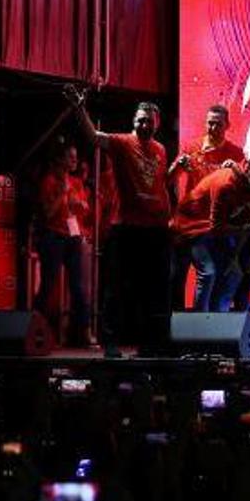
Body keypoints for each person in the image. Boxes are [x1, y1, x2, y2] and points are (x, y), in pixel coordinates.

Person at [67, 89, 172, 357]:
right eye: (140, 120)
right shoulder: (123, 142)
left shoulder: (161, 149)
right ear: (133, 121)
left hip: (155, 230)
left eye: (149, 120)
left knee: (152, 291)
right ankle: (111, 343)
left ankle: (149, 346)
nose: (144, 124)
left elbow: (158, 186)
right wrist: (80, 109)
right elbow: (93, 137)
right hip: (126, 227)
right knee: (117, 287)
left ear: (157, 123)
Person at [172, 153, 250, 316]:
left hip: (211, 232)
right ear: (248, 168)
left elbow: (245, 224)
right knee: (208, 272)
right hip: (190, 228)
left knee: (234, 272)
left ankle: (219, 321)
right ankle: (200, 325)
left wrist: (234, 257)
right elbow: (217, 227)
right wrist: (248, 228)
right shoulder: (226, 184)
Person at [33, 141, 92, 347]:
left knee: (78, 286)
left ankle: (81, 333)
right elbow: (48, 212)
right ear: (59, 159)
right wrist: (62, 193)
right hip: (53, 237)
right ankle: (34, 328)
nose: (74, 160)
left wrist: (79, 204)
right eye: (70, 156)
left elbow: (85, 208)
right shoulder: (49, 181)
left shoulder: (76, 182)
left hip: (73, 236)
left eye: (75, 156)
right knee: (48, 284)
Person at [170, 105, 246, 199]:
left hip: (220, 209)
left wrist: (236, 170)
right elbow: (169, 179)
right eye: (210, 123)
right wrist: (177, 166)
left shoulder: (237, 153)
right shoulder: (190, 147)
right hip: (193, 207)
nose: (213, 128)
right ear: (205, 123)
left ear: (227, 125)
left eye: (218, 124)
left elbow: (245, 187)